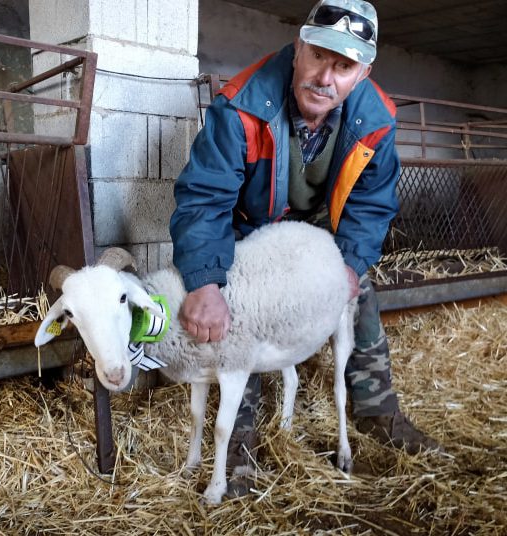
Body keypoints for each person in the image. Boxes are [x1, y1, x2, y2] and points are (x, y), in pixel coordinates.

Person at [170, 0, 441, 496]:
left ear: (362, 73)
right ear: (298, 49)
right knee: (238, 304)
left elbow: (371, 204)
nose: (325, 77)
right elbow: (204, 198)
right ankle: (240, 438)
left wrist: (351, 266)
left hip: (320, 228)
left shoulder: (376, 119)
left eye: (343, 66)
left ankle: (377, 410)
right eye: (318, 56)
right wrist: (205, 281)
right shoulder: (241, 106)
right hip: (248, 224)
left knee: (360, 293)